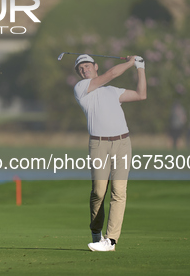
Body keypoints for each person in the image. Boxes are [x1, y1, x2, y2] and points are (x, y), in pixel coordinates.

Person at [73, 54, 146, 252]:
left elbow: (141, 95)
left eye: (87, 66)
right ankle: (96, 233)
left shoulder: (112, 92)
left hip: (122, 143)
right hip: (99, 145)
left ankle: (111, 240)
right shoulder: (81, 89)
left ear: (95, 66)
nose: (84, 70)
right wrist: (130, 62)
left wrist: (140, 68)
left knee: (119, 192)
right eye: (80, 68)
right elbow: (111, 73)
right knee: (98, 192)